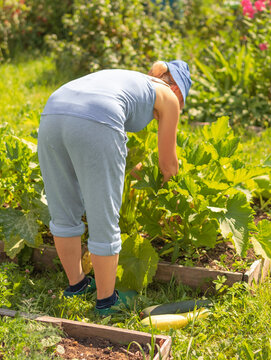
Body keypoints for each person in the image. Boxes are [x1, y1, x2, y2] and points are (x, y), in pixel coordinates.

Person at [37, 60, 192, 315]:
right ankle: (107, 302)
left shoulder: (128, 79)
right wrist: (171, 199)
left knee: (63, 207)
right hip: (98, 116)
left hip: (53, 111)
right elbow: (168, 165)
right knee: (103, 214)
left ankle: (76, 285)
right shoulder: (169, 98)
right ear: (177, 90)